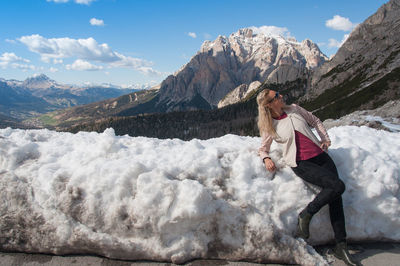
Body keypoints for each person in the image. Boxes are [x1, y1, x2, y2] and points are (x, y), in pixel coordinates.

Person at [257, 88, 359, 266]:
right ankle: (306, 213)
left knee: (336, 197)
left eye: (279, 93)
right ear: (269, 104)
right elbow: (263, 148)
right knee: (337, 187)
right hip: (302, 163)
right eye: (276, 96)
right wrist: (266, 158)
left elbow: (315, 120)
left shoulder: (295, 109)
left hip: (321, 157)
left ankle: (341, 246)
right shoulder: (269, 125)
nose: (281, 96)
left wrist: (325, 138)